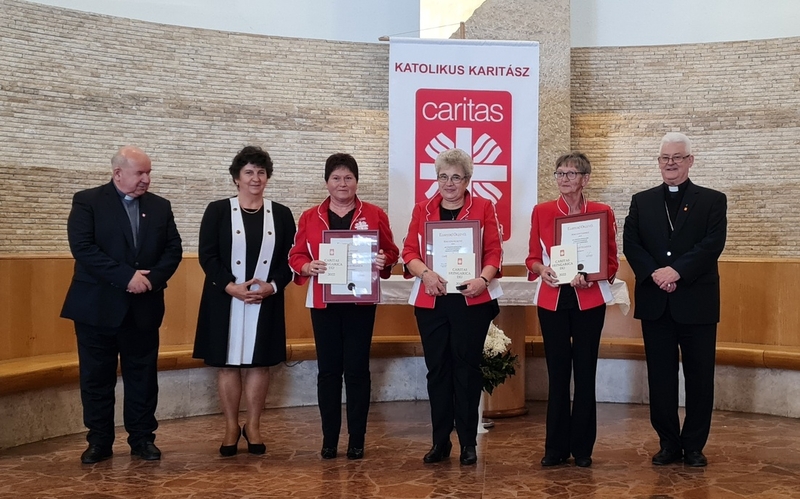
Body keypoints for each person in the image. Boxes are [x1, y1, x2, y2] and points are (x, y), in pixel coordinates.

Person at [61, 145, 183, 464]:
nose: (146, 179)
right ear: (118, 173)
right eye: (140, 173)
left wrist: (151, 280)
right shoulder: (87, 201)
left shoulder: (160, 206)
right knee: (96, 378)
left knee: (143, 378)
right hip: (96, 308)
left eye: (149, 173)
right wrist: (127, 277)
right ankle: (99, 441)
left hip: (143, 308)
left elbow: (173, 249)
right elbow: (83, 248)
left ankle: (142, 439)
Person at [623, 132, 727, 468]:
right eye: (665, 157)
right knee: (660, 377)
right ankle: (668, 443)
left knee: (700, 377)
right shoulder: (641, 201)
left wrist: (676, 272)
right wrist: (656, 273)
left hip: (697, 302)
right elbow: (631, 244)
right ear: (659, 162)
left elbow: (712, 244)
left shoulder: (712, 200)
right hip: (656, 302)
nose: (671, 163)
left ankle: (694, 445)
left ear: (690, 161)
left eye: (677, 157)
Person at [288, 153, 399, 460]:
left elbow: (391, 251)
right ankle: (329, 439)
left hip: (360, 302)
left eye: (348, 177)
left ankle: (357, 439)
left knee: (357, 370)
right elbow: (295, 255)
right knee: (328, 371)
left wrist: (384, 259)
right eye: (336, 178)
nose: (342, 183)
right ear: (326, 182)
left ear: (356, 181)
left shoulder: (374, 214)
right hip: (324, 302)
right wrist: (307, 266)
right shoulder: (310, 216)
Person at [402, 148, 503, 466]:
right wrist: (426, 274)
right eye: (443, 176)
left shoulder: (484, 207)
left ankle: (468, 443)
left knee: (467, 371)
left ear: (467, 180)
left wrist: (483, 280)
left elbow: (494, 252)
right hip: (432, 300)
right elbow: (408, 252)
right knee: (438, 372)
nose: (449, 183)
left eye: (456, 177)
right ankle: (440, 441)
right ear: (436, 179)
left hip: (471, 301)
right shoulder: (422, 209)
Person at [193, 146, 296, 456]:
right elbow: (207, 255)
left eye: (261, 172)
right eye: (249, 172)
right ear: (236, 178)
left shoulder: (281, 214)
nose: (255, 178)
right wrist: (231, 287)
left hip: (266, 300)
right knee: (227, 365)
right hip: (224, 299)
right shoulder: (217, 211)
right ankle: (230, 426)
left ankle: (253, 425)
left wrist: (272, 286)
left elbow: (290, 258)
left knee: (259, 364)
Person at [525, 152, 619, 468]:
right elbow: (531, 258)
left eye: (571, 173)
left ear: (585, 179)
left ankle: (582, 448)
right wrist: (542, 269)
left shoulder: (602, 212)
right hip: (553, 299)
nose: (564, 179)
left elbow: (611, 261)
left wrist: (591, 276)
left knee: (585, 371)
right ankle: (555, 448)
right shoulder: (542, 211)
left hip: (588, 300)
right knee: (558, 373)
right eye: (560, 173)